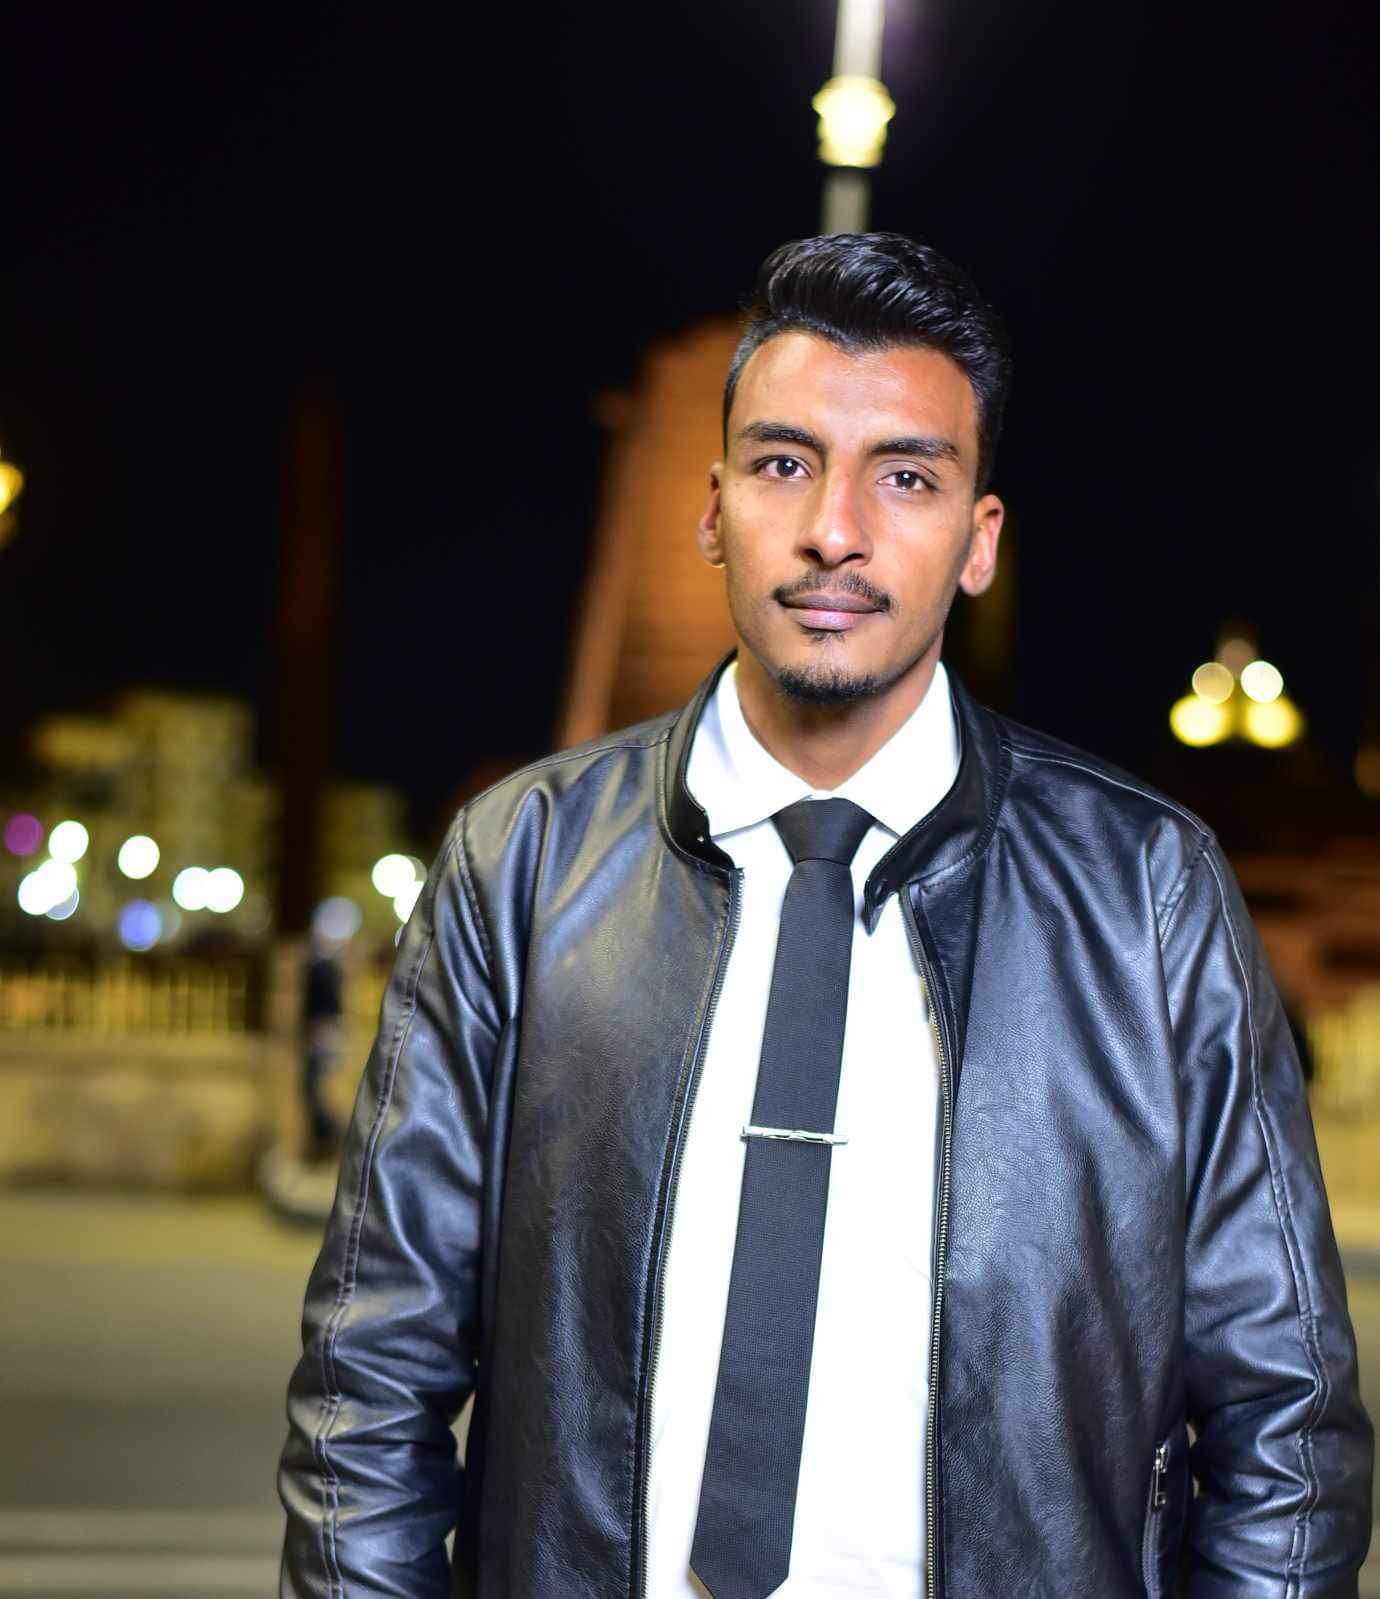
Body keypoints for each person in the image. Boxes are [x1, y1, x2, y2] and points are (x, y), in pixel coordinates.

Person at [279, 233, 1372, 1598]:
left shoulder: (1146, 893)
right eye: (785, 464)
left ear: (979, 542)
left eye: (905, 477)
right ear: (713, 508)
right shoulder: (525, 864)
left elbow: (1287, 1429)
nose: (835, 531)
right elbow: (370, 1383)